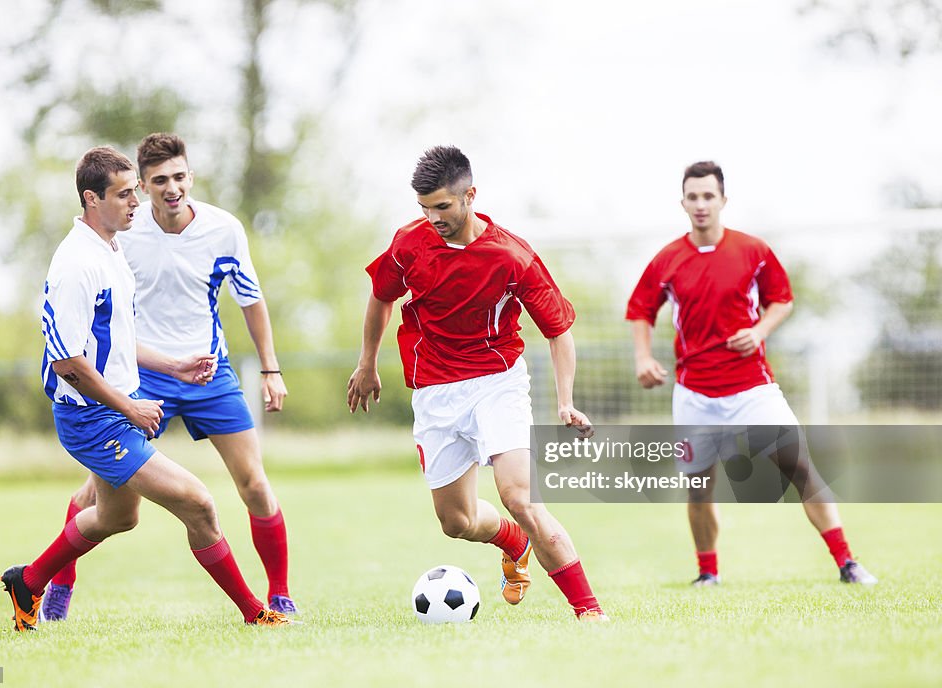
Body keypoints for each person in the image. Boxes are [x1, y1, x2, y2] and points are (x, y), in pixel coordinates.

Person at [1, 146, 290, 632]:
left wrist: (174, 365)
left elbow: (117, 340)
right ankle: (256, 613)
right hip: (92, 419)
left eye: (136, 190)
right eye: (125, 193)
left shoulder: (111, 248)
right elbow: (69, 362)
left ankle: (29, 581)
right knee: (198, 503)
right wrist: (128, 407)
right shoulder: (78, 264)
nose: (136, 202)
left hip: (113, 409)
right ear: (92, 199)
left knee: (118, 517)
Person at [347, 145, 607, 621]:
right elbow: (381, 296)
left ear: (470, 195)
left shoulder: (512, 256)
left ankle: (589, 611)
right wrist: (367, 363)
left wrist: (565, 401)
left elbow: (559, 331)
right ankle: (513, 541)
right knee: (457, 522)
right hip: (434, 391)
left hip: (497, 383)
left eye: (442, 206)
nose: (432, 217)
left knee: (519, 497)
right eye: (424, 208)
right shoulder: (409, 243)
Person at [625, 160, 877, 586]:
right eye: (693, 197)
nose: (701, 204)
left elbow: (783, 299)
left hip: (751, 388)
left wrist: (758, 330)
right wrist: (643, 358)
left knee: (800, 469)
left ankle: (847, 563)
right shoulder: (667, 259)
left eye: (709, 196)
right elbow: (640, 310)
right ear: (682, 202)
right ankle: (708, 575)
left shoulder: (753, 250)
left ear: (723, 200)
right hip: (694, 394)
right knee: (698, 488)